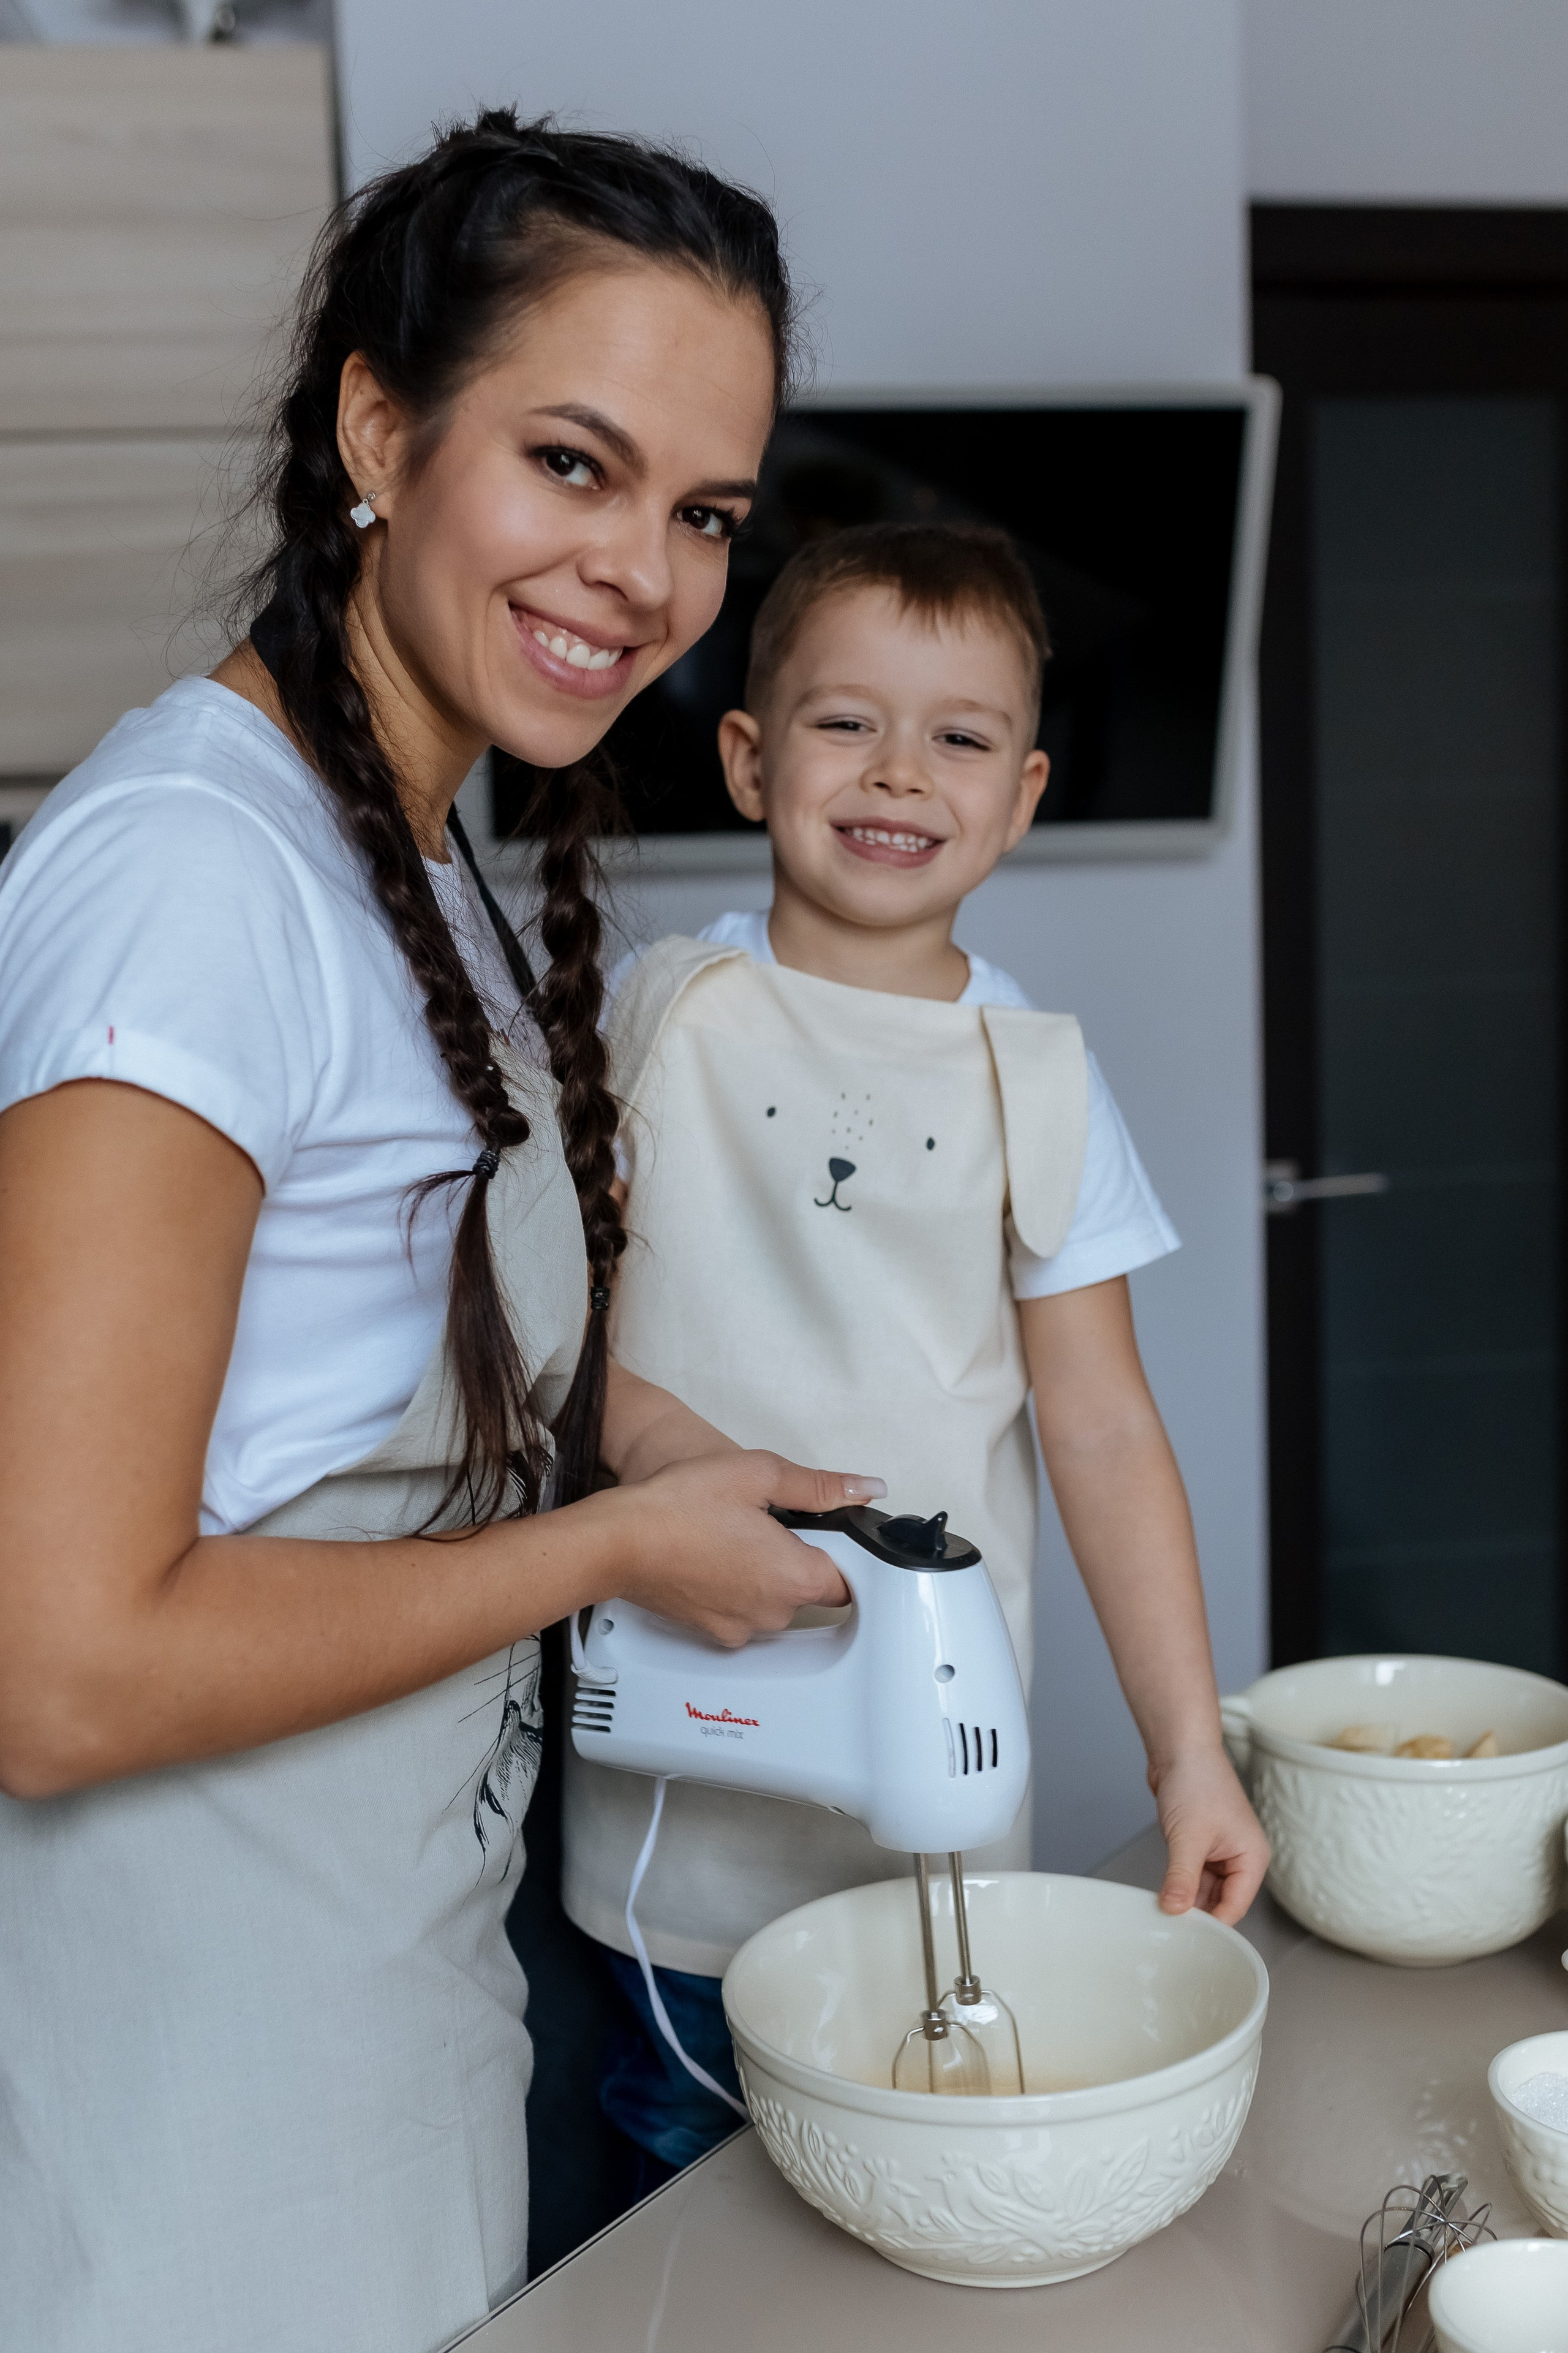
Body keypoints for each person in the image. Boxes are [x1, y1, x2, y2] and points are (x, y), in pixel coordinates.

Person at [0, 114, 886, 2353]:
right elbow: (56, 1667)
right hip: (192, 2106)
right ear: (379, 432)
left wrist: (662, 1459)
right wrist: (611, 1552)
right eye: (574, 464)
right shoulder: (191, 881)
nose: (646, 574)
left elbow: (372, 1402)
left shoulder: (397, 856)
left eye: (704, 514)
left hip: (389, 2024)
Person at [562, 520, 1271, 2185]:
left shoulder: (1041, 1080)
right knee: (687, 2182)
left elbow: (1103, 1431)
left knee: (910, 2159)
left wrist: (1192, 1755)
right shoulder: (655, 1017)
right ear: (750, 760)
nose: (899, 771)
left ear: (1020, 797)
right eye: (846, 721)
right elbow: (539, 1333)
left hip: (921, 1774)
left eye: (958, 737)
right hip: (679, 1758)